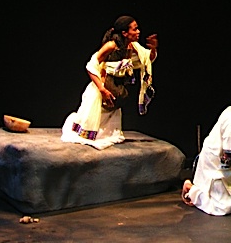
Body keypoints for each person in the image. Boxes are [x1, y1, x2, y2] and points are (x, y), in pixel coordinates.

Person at [61, 15, 158, 150]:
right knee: (94, 120)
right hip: (102, 85)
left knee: (112, 113)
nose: (138, 32)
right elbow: (91, 65)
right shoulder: (111, 46)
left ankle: (106, 132)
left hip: (117, 85)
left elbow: (146, 59)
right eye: (134, 29)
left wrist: (153, 48)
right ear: (124, 33)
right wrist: (102, 89)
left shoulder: (132, 46)